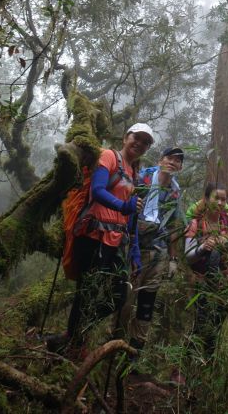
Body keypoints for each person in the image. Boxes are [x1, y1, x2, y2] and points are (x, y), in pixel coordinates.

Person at [48, 123, 154, 357]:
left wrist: (135, 253)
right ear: (127, 136)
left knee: (118, 295)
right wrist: (123, 206)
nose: (140, 144)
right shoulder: (109, 156)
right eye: (137, 138)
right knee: (85, 291)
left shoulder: (134, 171)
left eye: (146, 142)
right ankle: (74, 341)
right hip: (93, 234)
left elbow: (131, 216)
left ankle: (75, 334)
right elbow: (97, 190)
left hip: (115, 240)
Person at [118, 146, 186, 356]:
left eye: (178, 160)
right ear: (160, 159)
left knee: (147, 301)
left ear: (180, 167)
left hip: (158, 251)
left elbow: (175, 225)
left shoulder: (175, 192)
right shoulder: (142, 178)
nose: (172, 162)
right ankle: (115, 344)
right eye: (169, 158)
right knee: (126, 298)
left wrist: (173, 259)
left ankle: (134, 351)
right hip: (133, 246)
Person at [185, 183, 228, 358]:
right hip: (201, 282)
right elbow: (188, 256)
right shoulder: (195, 223)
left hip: (227, 283)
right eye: (215, 198)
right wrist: (203, 247)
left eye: (223, 199)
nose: (219, 203)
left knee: (217, 323)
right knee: (201, 321)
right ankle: (185, 364)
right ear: (206, 199)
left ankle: (207, 364)